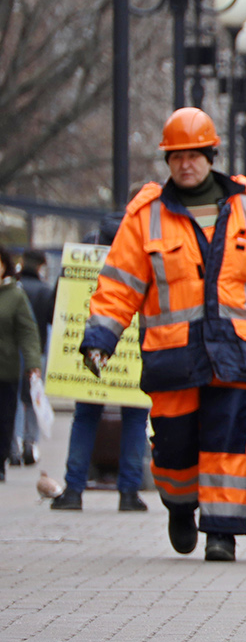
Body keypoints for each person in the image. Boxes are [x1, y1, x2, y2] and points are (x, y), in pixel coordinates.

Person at [80, 107, 246, 562]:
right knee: (174, 447)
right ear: (168, 161)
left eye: (195, 155)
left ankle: (222, 533)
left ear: (211, 155)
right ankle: (180, 506)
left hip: (240, 353)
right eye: (177, 156)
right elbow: (120, 283)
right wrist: (99, 339)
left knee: (228, 444)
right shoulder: (146, 215)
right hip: (174, 356)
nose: (186, 164)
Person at [51, 215, 152, 512]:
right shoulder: (142, 255)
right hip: (133, 353)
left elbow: (61, 304)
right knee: (135, 420)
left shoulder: (84, 258)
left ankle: (73, 490)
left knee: (84, 417)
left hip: (89, 349)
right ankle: (129, 492)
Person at [0, 246, 43, 484]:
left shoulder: (15, 296)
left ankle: (1, 462)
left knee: (5, 419)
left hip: (5, 369)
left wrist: (33, 363)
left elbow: (28, 332)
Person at [12, 249, 54, 467]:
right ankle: (31, 442)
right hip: (37, 350)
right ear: (41, 266)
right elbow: (51, 317)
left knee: (17, 398)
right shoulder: (45, 290)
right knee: (34, 396)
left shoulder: (14, 289)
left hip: (12, 349)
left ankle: (15, 442)